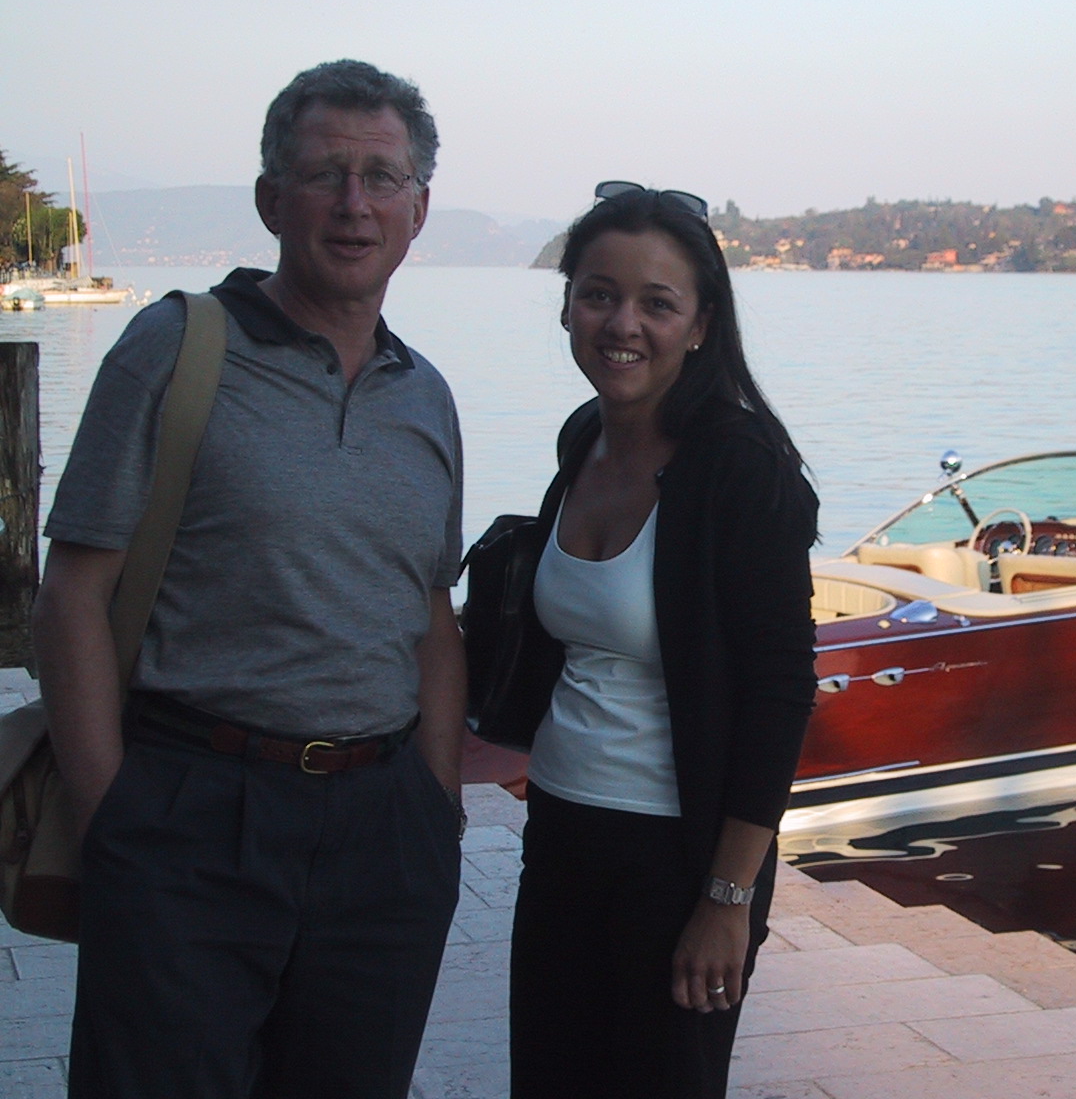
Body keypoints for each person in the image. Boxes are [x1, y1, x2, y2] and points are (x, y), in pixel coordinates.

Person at [32, 60, 466, 1099]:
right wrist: (112, 818)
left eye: (381, 177)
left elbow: (431, 616)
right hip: (193, 810)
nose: (353, 204)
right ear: (273, 200)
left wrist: (435, 812)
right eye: (324, 174)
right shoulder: (175, 349)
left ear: (418, 210)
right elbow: (73, 594)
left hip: (380, 829)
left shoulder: (426, 398)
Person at [505, 183, 818, 1098]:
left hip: (680, 860)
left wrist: (728, 899)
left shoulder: (742, 469)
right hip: (561, 836)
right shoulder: (582, 440)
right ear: (567, 304)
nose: (622, 325)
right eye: (599, 295)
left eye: (657, 303)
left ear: (701, 324)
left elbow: (779, 691)